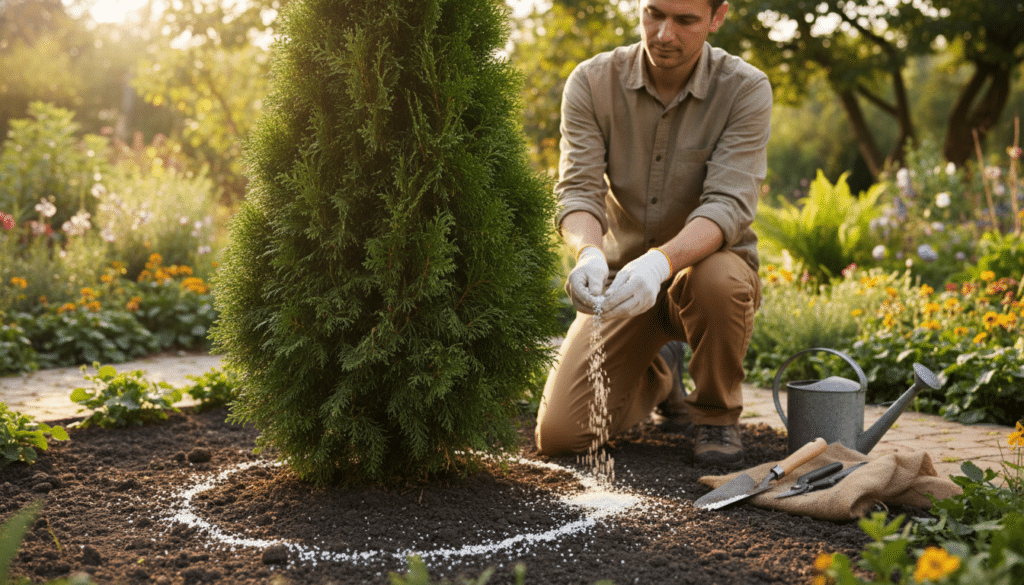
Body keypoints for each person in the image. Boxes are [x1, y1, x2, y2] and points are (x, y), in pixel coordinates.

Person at [535, 0, 771, 467]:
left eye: (685, 21)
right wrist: (588, 255)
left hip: (705, 278)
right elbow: (579, 191)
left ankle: (717, 418)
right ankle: (659, 372)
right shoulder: (592, 81)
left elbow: (728, 205)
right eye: (654, 14)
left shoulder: (745, 89)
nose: (664, 35)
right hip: (623, 283)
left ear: (717, 17)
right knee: (562, 437)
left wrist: (659, 263)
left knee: (718, 281)